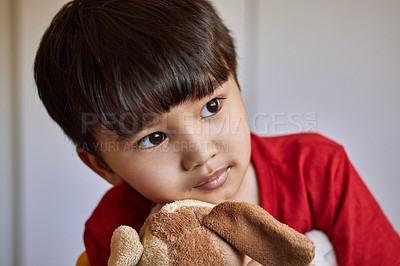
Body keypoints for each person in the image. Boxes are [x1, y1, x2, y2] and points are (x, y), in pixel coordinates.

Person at [34, 0, 400, 265]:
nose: (201, 152)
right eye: (154, 138)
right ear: (102, 166)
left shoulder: (318, 170)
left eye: (211, 106)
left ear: (236, 78)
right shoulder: (115, 231)